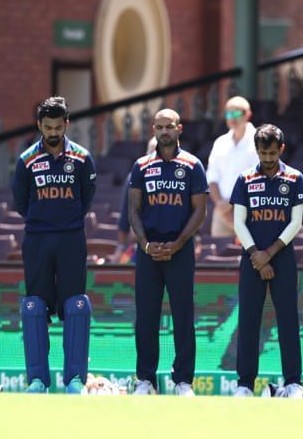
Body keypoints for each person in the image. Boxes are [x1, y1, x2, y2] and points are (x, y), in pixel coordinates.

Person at [12, 97, 97, 394]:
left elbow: (86, 199)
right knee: (34, 306)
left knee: (75, 305)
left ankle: (74, 379)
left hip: (71, 238)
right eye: (47, 127)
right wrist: (44, 222)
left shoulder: (83, 158)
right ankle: (38, 380)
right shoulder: (26, 161)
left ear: (67, 125)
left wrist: (64, 221)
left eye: (58, 127)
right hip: (37, 239)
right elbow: (21, 202)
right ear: (39, 125)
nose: (52, 132)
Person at [128, 109, 208, 396]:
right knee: (146, 317)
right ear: (153, 129)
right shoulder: (141, 166)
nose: (164, 131)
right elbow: (133, 210)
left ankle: (183, 381)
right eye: (159, 127)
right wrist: (146, 244)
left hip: (181, 250)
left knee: (183, 317)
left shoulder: (192, 165)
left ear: (179, 129)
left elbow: (200, 210)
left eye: (169, 126)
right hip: (148, 253)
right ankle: (145, 379)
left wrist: (179, 242)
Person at [230, 124, 303, 399]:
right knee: (249, 321)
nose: (267, 159)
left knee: (288, 320)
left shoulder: (295, 178)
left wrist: (269, 254)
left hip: (282, 257)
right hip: (252, 259)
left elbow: (295, 223)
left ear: (282, 149)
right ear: (257, 150)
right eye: (263, 153)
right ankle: (244, 384)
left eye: (272, 153)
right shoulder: (244, 179)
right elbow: (238, 222)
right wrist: (257, 256)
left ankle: (293, 382)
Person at [206, 96, 258, 237]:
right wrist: (221, 205)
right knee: (217, 256)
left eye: (236, 113)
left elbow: (260, 179)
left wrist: (233, 206)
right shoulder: (220, 142)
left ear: (248, 114)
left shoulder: (259, 141)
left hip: (251, 212)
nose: (232, 118)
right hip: (221, 213)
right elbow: (212, 177)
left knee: (252, 257)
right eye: (229, 114)